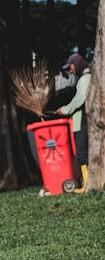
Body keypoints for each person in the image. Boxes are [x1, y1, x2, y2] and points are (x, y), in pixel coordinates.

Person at [55, 52, 91, 192]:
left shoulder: (86, 79)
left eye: (71, 67)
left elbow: (79, 99)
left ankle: (87, 185)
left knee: (82, 152)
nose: (70, 70)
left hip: (82, 121)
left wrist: (65, 110)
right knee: (81, 151)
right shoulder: (82, 79)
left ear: (77, 64)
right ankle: (85, 182)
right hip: (78, 121)